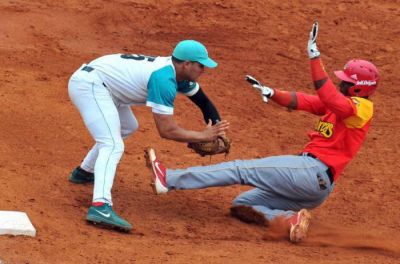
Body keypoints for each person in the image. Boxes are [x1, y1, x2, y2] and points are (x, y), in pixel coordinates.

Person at [145, 22, 379, 243]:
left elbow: (328, 96)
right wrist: (272, 92)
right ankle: (291, 221)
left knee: (240, 169)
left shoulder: (361, 108)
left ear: (359, 87)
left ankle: (170, 179)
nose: (342, 83)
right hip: (314, 188)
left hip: (310, 172)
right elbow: (307, 101)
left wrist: (315, 59)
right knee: (243, 204)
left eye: (347, 81)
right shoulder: (342, 104)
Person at [68, 40, 230, 232]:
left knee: (128, 126)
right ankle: (100, 207)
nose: (204, 69)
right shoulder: (164, 79)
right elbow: (166, 130)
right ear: (187, 64)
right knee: (112, 145)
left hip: (107, 87)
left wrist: (218, 131)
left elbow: (204, 103)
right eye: (201, 65)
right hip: (90, 86)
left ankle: (84, 172)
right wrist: (202, 137)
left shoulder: (180, 76)